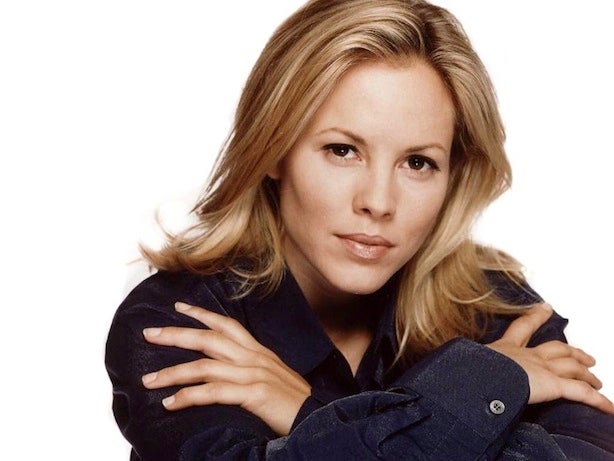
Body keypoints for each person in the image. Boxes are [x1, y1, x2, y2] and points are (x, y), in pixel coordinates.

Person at [105, 0, 614, 459]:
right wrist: (483, 384)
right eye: (342, 150)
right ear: (274, 148)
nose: (378, 202)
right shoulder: (185, 323)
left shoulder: (496, 309)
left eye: (418, 162)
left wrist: (305, 413)